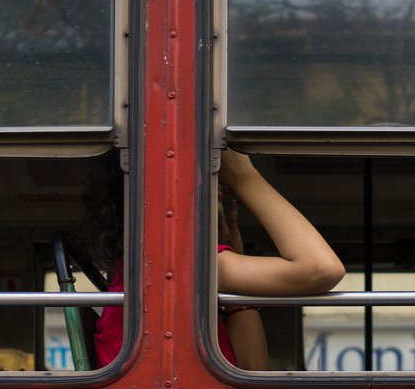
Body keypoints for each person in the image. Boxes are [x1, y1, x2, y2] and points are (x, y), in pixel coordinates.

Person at [85, 148, 344, 370]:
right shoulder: (177, 260)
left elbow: (254, 370)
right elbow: (321, 269)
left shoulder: (138, 260)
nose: (218, 184)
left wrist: (233, 264)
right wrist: (244, 176)